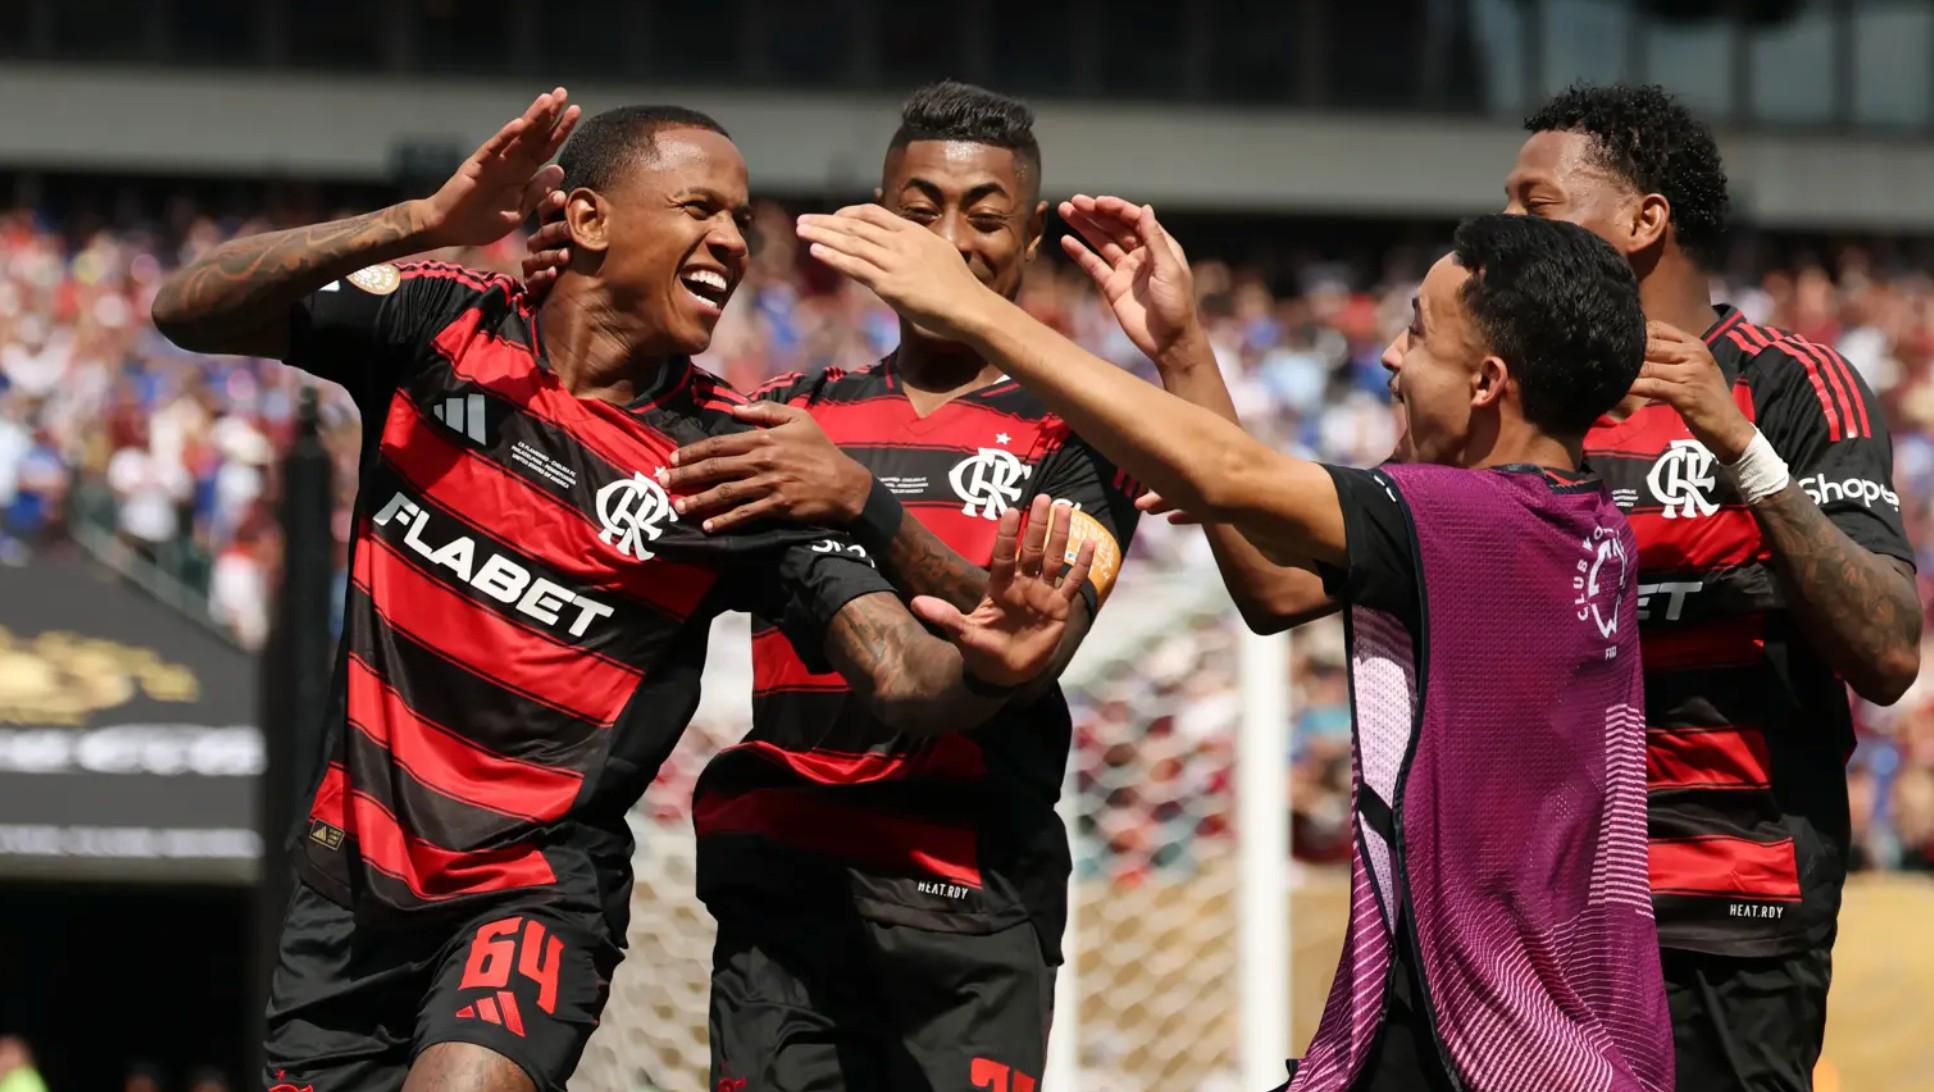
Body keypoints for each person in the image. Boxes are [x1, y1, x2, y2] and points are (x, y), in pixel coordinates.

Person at [152, 90, 1092, 1092]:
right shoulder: (440, 323)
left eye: (740, 220)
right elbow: (186, 309)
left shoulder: (730, 460)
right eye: (700, 208)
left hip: (529, 893)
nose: (732, 242)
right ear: (591, 220)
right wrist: (424, 220)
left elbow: (904, 675)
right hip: (347, 878)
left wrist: (994, 643)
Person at [1145, 83, 1923, 1092]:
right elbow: (1280, 590)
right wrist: (1181, 351)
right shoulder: (1506, 402)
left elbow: (1886, 651)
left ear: (1644, 220)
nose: (1504, 222)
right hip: (1517, 920)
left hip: (1719, 911)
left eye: (1535, 203)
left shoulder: (1788, 386)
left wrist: (1739, 450)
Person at [797, 204, 1672, 1089]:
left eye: (1417, 333)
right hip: (1468, 1022)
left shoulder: (1482, 521)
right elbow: (1275, 586)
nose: (1390, 356)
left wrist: (975, 310)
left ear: (1486, 382)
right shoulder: (1575, 520)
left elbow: (1229, 474)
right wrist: (1182, 351)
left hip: (1497, 1048)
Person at [531, 80, 1139, 1091]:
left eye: (984, 218)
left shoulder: (1083, 432)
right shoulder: (781, 415)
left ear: (1030, 237)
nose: (948, 242)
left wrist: (861, 500)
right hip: (784, 891)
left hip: (969, 902)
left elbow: (1030, 647)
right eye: (919, 213)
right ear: (874, 224)